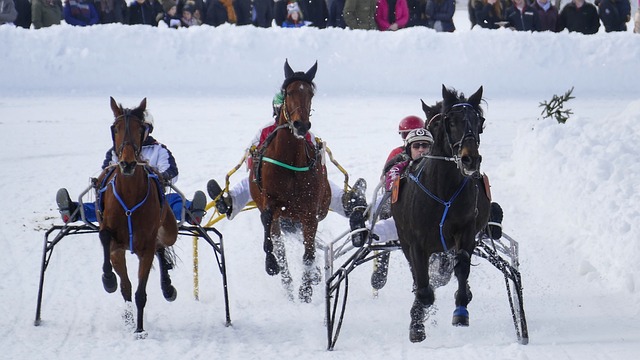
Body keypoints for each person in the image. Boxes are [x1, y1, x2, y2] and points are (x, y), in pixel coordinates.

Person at [207, 91, 367, 222]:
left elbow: (317, 161)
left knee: (322, 184)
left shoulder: (304, 133)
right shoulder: (265, 131)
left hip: (301, 181)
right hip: (270, 181)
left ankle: (347, 203)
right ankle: (230, 202)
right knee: (251, 182)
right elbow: (250, 156)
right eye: (279, 112)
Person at [56, 110, 207, 226]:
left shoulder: (158, 150)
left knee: (172, 200)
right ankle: (74, 211)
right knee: (102, 206)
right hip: (121, 199)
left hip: (151, 201)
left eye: (141, 130)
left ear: (148, 130)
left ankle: (191, 213)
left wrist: (162, 177)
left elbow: (171, 172)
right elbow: (108, 170)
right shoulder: (117, 152)